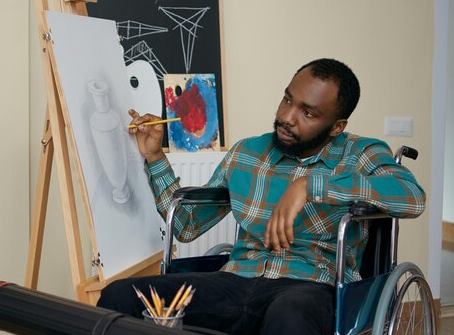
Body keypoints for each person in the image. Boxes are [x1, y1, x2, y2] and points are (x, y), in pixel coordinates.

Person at [96, 58, 426, 335]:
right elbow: (184, 225)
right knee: (121, 296)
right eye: (287, 100)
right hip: (235, 280)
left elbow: (412, 197)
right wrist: (155, 157)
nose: (287, 117)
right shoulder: (247, 153)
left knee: (290, 315)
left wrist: (312, 185)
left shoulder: (361, 153)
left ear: (337, 126)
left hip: (309, 286)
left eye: (307, 113)